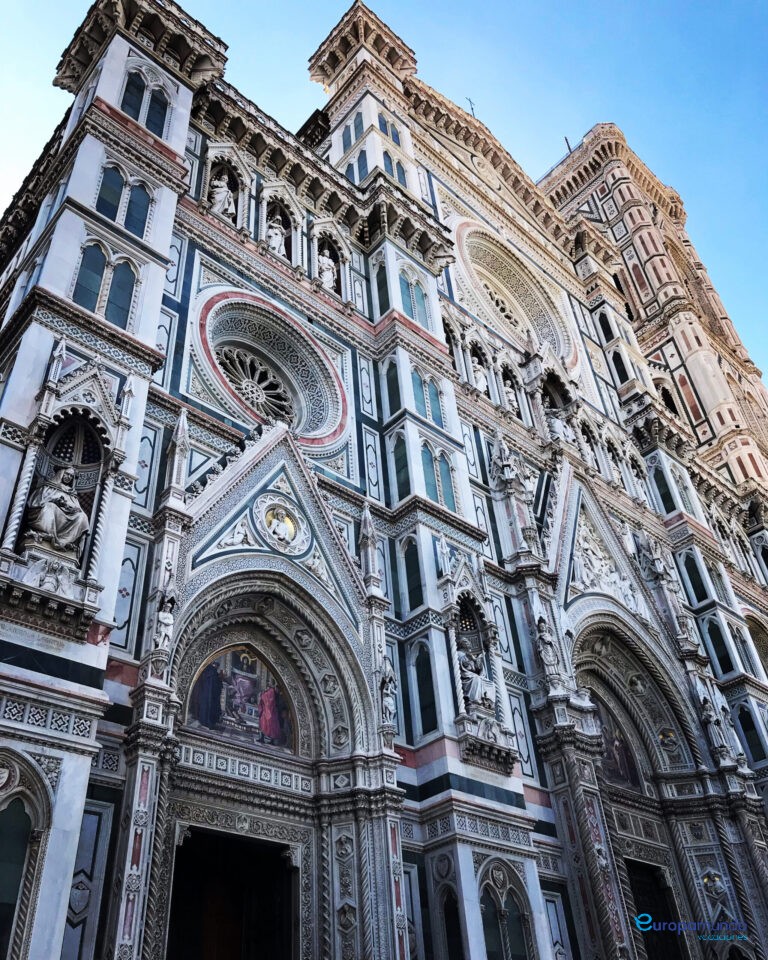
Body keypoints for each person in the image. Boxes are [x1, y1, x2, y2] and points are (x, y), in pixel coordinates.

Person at [26, 467, 90, 559]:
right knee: (50, 507)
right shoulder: (49, 486)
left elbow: (77, 508)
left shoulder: (71, 493)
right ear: (61, 473)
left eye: (71, 476)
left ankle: (65, 542)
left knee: (83, 517)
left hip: (66, 516)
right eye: (67, 474)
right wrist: (55, 501)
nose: (68, 477)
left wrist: (72, 509)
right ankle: (48, 536)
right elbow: (36, 501)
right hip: (49, 511)